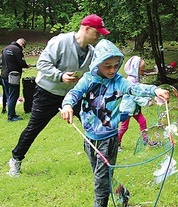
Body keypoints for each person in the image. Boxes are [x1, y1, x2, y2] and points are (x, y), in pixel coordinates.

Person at [60, 39, 170, 207]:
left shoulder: (119, 81)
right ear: (97, 64)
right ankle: (124, 197)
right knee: (104, 177)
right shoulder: (88, 80)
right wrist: (68, 105)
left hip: (108, 140)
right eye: (107, 66)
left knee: (100, 181)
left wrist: (155, 90)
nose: (112, 70)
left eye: (115, 66)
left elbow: (135, 88)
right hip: (89, 139)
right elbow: (74, 93)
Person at [7, 14, 110, 177]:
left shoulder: (91, 51)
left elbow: (92, 74)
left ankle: (99, 159)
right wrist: (60, 76)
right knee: (34, 128)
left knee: (90, 122)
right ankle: (16, 159)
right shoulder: (61, 41)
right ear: (87, 29)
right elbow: (42, 64)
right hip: (47, 93)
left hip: (72, 95)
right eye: (97, 32)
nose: (99, 36)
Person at [118, 56, 151, 151]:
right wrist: (146, 102)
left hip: (135, 109)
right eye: (141, 70)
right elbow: (135, 96)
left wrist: (148, 97)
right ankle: (116, 144)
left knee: (143, 122)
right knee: (124, 127)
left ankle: (145, 140)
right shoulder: (130, 81)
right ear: (135, 68)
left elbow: (141, 91)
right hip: (127, 109)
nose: (142, 72)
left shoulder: (136, 79)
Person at [0, 38, 31, 122]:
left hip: (3, 75)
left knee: (8, 94)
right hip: (12, 76)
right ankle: (11, 116)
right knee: (13, 96)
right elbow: (21, 63)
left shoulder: (6, 48)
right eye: (23, 46)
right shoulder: (17, 50)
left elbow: (1, 63)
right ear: (22, 44)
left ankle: (11, 112)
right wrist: (26, 66)